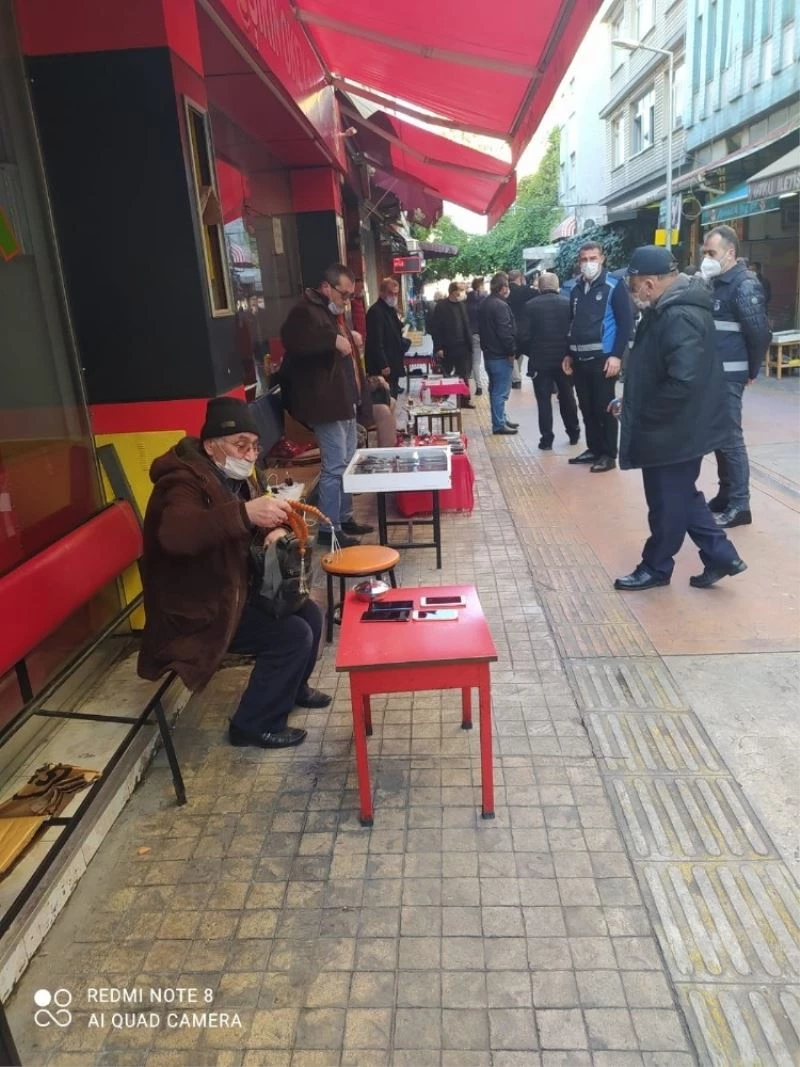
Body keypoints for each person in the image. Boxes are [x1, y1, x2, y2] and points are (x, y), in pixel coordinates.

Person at [138, 397, 332, 749]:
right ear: (211, 444)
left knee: (310, 614)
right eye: (240, 444)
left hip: (234, 586)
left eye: (254, 446)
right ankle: (252, 725)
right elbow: (177, 535)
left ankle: (293, 688)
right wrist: (246, 515)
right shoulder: (181, 482)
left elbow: (247, 520)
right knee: (291, 636)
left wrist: (272, 528)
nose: (249, 454)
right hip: (198, 604)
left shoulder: (235, 476)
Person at [614, 246, 747, 591]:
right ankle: (721, 555)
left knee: (665, 503)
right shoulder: (666, 309)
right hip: (678, 424)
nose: (632, 292)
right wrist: (633, 401)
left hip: (675, 427)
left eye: (633, 285)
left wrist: (645, 413)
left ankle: (655, 567)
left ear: (649, 284)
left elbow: (683, 380)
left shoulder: (677, 315)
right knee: (680, 496)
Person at [280, 263, 374, 549]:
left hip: (343, 401)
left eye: (350, 296)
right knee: (334, 468)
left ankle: (343, 517)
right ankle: (328, 528)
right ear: (326, 287)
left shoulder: (330, 313)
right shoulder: (305, 312)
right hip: (327, 405)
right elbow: (293, 339)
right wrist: (331, 340)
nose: (347, 301)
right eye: (344, 294)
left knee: (346, 464)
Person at [701, 225, 772, 528]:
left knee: (730, 438)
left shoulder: (744, 285)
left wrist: (752, 370)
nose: (706, 258)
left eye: (711, 253)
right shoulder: (716, 282)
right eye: (705, 252)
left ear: (730, 253)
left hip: (730, 373)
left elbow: (760, 333)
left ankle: (741, 504)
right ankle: (726, 493)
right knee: (719, 436)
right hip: (714, 372)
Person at [564, 241, 634, 473]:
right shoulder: (576, 288)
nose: (588, 263)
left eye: (593, 258)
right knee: (586, 407)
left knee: (604, 407)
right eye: (584, 259)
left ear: (602, 259)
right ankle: (594, 449)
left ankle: (608, 454)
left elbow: (625, 324)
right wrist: (568, 353)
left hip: (603, 359)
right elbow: (572, 322)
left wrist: (616, 356)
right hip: (579, 359)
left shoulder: (614, 286)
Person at [521, 271, 580, 450]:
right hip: (564, 361)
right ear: (557, 286)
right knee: (567, 397)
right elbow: (574, 331)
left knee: (543, 400)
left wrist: (532, 352)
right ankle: (573, 432)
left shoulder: (530, 306)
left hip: (540, 362)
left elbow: (523, 336)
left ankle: (546, 439)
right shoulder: (567, 303)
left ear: (539, 287)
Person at [478, 272, 519, 435]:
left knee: (495, 389)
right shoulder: (500, 305)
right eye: (507, 286)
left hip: (489, 354)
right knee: (500, 391)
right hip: (500, 355)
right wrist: (511, 351)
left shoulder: (485, 303)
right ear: (503, 288)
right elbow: (505, 332)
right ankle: (499, 423)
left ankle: (501, 417)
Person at [430, 281, 475, 408]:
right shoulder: (441, 306)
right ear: (454, 292)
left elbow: (466, 324)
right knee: (446, 374)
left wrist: (470, 344)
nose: (462, 293)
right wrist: (438, 347)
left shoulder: (462, 305)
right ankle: (444, 398)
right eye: (460, 290)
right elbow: (436, 329)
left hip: (463, 346)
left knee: (464, 374)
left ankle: (464, 400)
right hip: (447, 347)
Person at [365, 277, 407, 399]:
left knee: (393, 397)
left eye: (396, 294)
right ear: (382, 292)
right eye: (390, 293)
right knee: (385, 399)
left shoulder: (390, 309)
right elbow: (375, 341)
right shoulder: (376, 311)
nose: (393, 296)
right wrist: (383, 364)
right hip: (382, 366)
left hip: (393, 361)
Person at [506, 269, 537, 388]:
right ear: (520, 278)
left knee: (513, 354)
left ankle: (516, 378)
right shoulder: (526, 290)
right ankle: (532, 373)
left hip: (511, 328)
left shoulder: (505, 291)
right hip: (526, 328)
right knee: (531, 353)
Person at [465, 277, 487, 396]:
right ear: (480, 286)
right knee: (489, 360)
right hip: (486, 334)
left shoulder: (467, 300)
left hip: (473, 334)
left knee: (476, 361)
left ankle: (479, 386)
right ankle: (489, 384)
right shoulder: (485, 300)